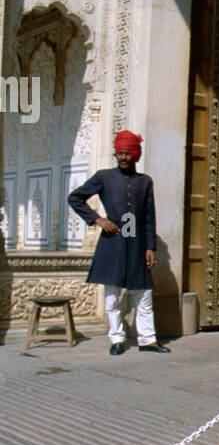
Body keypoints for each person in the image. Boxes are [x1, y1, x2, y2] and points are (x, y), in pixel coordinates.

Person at [68, 131, 170, 356]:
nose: (123, 157)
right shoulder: (104, 177)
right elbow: (75, 198)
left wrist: (150, 246)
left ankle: (148, 340)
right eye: (120, 153)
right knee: (112, 296)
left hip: (136, 244)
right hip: (112, 243)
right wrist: (98, 219)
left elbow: (149, 216)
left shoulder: (145, 182)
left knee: (143, 295)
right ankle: (117, 339)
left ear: (136, 155)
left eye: (127, 153)